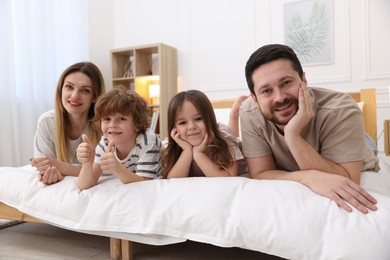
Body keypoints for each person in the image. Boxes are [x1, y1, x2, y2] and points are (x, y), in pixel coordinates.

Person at [240, 43, 379, 214]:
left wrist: (292, 135)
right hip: (313, 156)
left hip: (355, 147)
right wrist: (308, 177)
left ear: (303, 80)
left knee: (367, 143)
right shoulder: (249, 112)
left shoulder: (341, 110)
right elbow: (260, 173)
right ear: (254, 98)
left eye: (286, 83)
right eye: (266, 91)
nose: (280, 97)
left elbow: (347, 179)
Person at [30, 62, 106, 185]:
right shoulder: (47, 122)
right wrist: (50, 172)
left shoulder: (106, 126)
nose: (75, 95)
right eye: (69, 87)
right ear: (61, 90)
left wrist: (63, 168)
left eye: (85, 90)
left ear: (94, 97)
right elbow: (46, 166)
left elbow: (107, 172)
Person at [76, 88, 162, 190]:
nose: (112, 125)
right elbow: (84, 185)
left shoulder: (148, 142)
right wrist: (87, 163)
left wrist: (118, 168)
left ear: (137, 124)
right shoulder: (105, 142)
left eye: (121, 119)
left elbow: (145, 184)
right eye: (107, 119)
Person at [161, 89, 245, 178]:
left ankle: (234, 115)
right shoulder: (175, 148)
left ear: (210, 119)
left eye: (198, 119)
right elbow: (172, 181)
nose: (191, 127)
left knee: (233, 137)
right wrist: (187, 151)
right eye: (182, 123)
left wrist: (198, 154)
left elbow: (229, 178)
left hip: (227, 139)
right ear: (174, 128)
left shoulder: (226, 140)